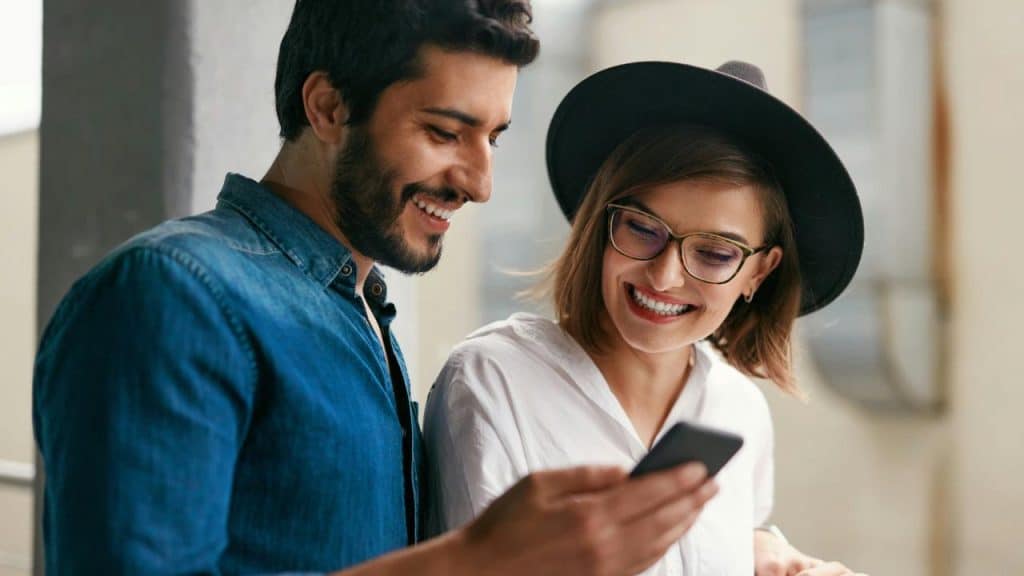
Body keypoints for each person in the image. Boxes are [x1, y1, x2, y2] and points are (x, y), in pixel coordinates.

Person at [32, 2, 733, 574]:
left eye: (493, 137)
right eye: (444, 132)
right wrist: (473, 562)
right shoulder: (173, 293)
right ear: (329, 108)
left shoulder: (360, 311)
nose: (479, 183)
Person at [425, 61, 868, 576]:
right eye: (641, 227)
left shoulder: (738, 411)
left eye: (715, 253)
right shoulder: (494, 383)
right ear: (599, 221)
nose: (664, 277)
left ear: (759, 272)